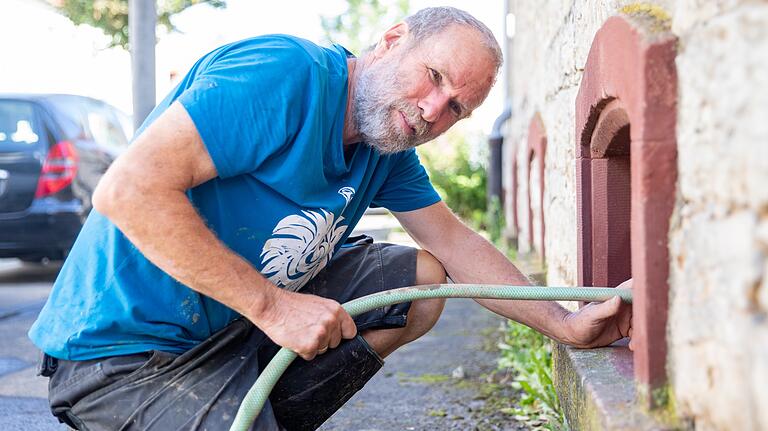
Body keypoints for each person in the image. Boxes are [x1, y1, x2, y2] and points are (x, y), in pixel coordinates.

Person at [29, 6, 632, 431]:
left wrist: (565, 325)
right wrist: (272, 307)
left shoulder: (384, 145)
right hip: (122, 355)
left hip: (234, 332)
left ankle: (256, 413)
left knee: (421, 282)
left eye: (457, 109)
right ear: (392, 40)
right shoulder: (283, 74)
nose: (431, 110)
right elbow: (128, 190)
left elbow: (454, 243)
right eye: (435, 77)